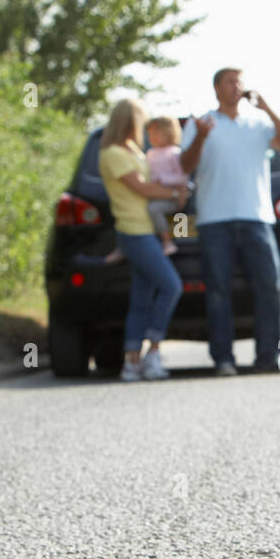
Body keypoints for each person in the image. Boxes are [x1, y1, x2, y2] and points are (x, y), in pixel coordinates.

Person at [180, 67, 280, 376]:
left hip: (256, 217)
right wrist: (201, 139)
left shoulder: (258, 123)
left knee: (269, 287)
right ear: (217, 88)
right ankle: (223, 359)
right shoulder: (202, 123)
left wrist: (267, 107)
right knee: (218, 289)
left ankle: (267, 357)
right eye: (231, 81)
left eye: (240, 82)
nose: (237, 87)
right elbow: (185, 165)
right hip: (214, 219)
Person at [98, 97, 188, 381]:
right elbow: (142, 189)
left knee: (141, 298)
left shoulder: (136, 151)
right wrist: (176, 195)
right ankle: (153, 351)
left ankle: (132, 361)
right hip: (133, 230)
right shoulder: (112, 154)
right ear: (129, 121)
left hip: (146, 229)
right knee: (171, 285)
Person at [144, 116, 190, 257]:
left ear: (167, 132)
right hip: (155, 195)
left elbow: (183, 177)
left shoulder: (175, 153)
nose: (150, 136)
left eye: (154, 132)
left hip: (173, 199)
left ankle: (169, 242)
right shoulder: (150, 153)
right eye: (149, 133)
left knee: (155, 209)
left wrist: (162, 180)